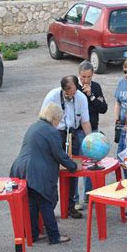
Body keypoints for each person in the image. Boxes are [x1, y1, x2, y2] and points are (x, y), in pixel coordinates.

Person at [10, 103, 79, 244]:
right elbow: (59, 154)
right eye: (58, 120)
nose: (58, 123)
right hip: (37, 172)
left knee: (32, 203)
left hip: (21, 169)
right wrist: (73, 166)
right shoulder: (51, 131)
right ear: (54, 118)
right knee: (46, 202)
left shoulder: (34, 126)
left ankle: (32, 234)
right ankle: (54, 236)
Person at [41, 75, 92, 219]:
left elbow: (85, 122)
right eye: (68, 93)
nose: (71, 96)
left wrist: (90, 140)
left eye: (73, 93)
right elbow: (44, 120)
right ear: (63, 89)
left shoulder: (81, 98)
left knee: (72, 168)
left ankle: (71, 205)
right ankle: (50, 208)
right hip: (55, 132)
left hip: (73, 133)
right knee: (52, 170)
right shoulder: (52, 96)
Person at [76, 60, 108, 210]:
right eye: (83, 77)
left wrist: (92, 96)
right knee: (77, 165)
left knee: (91, 164)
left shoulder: (95, 87)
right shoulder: (74, 87)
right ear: (79, 75)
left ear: (92, 75)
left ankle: (89, 196)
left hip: (93, 130)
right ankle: (75, 199)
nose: (86, 80)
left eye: (88, 77)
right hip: (78, 131)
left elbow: (103, 109)